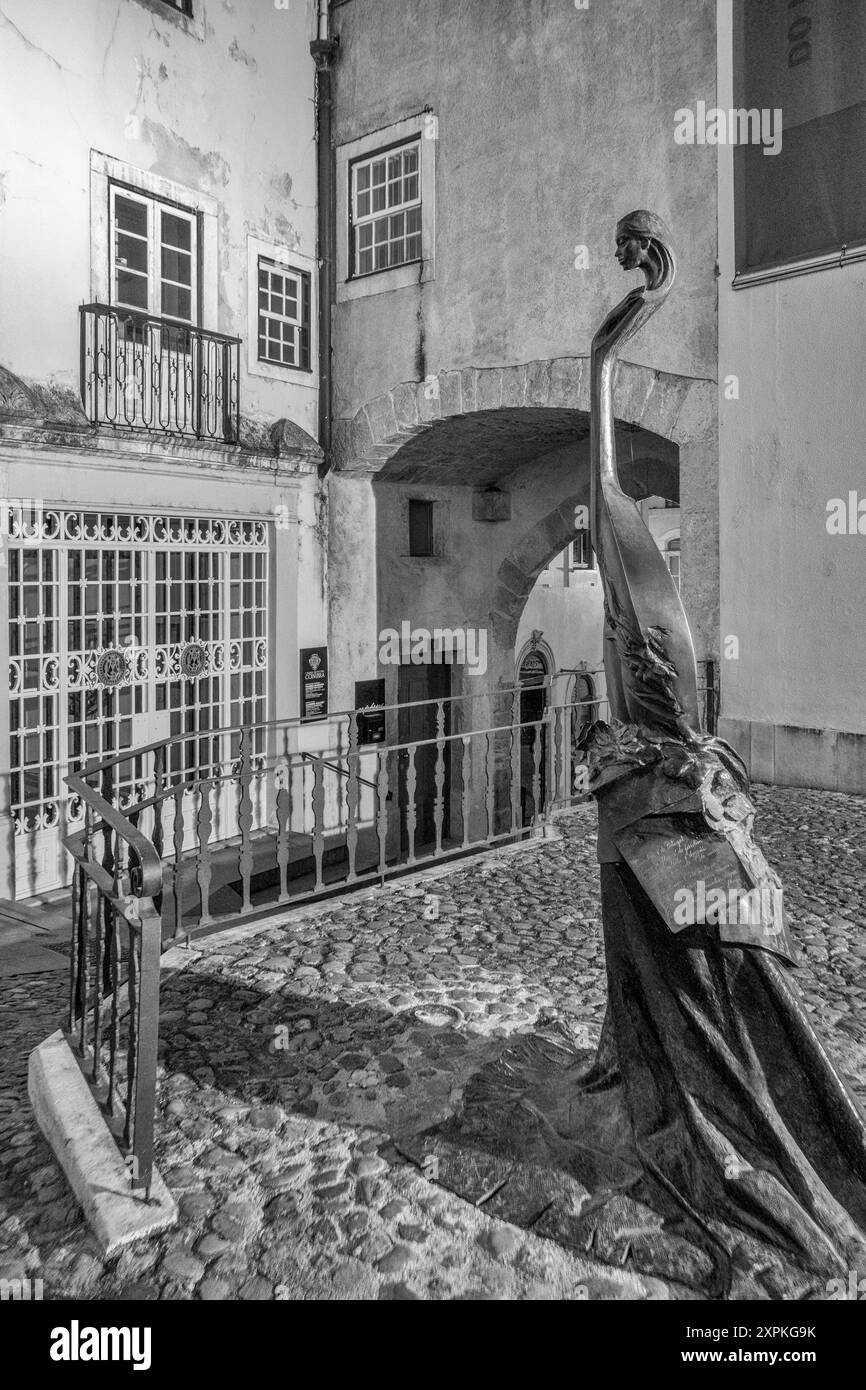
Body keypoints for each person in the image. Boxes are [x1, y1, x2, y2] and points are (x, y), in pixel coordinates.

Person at [576, 210, 866, 1297]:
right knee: (635, 937)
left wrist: (624, 321)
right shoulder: (637, 601)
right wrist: (623, 319)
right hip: (634, 787)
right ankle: (631, 1045)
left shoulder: (652, 625)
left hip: (648, 794)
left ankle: (694, 1095)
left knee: (692, 959)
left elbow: (599, 422)